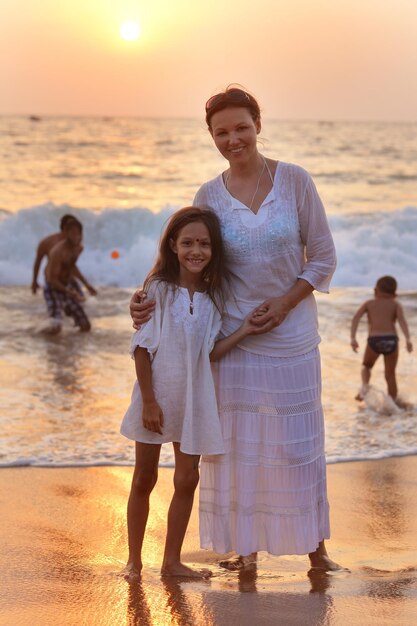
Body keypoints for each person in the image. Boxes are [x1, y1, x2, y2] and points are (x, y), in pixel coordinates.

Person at [130, 86, 341, 573]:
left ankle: (316, 548)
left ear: (258, 125)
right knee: (238, 447)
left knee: (296, 446)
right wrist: (144, 297)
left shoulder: (295, 182)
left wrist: (287, 303)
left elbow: (324, 256)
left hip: (292, 336)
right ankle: (244, 548)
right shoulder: (208, 194)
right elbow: (183, 254)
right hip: (229, 339)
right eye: (221, 132)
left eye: (241, 127)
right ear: (211, 136)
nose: (233, 139)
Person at [121, 207, 257, 580]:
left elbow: (208, 353)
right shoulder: (158, 291)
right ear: (173, 246)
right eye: (188, 243)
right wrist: (149, 400)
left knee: (187, 479)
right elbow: (141, 348)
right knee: (143, 479)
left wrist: (244, 330)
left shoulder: (214, 300)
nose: (196, 250)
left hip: (195, 401)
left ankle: (171, 562)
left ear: (213, 249)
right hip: (157, 398)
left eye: (204, 243)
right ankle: (134, 560)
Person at [350, 275, 413, 402]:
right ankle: (393, 406)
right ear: (394, 294)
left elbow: (356, 318)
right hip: (391, 341)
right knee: (390, 375)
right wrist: (408, 339)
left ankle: (364, 387)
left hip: (374, 340)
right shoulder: (395, 305)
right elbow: (402, 321)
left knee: (367, 366)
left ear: (375, 291)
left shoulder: (369, 303)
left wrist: (353, 338)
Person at [43, 218, 95, 333]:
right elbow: (51, 279)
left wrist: (86, 284)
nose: (76, 237)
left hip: (67, 285)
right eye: (73, 234)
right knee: (55, 328)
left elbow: (71, 266)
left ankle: (74, 348)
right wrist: (67, 291)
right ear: (65, 234)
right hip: (53, 288)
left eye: (78, 234)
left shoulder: (78, 248)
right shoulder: (57, 252)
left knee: (85, 326)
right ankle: (38, 340)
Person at [31, 214, 96, 297]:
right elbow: (37, 262)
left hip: (68, 278)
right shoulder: (46, 242)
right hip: (52, 279)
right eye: (71, 229)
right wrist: (34, 281)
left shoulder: (76, 245)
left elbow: (72, 266)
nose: (76, 235)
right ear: (65, 228)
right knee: (57, 308)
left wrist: (86, 284)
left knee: (81, 303)